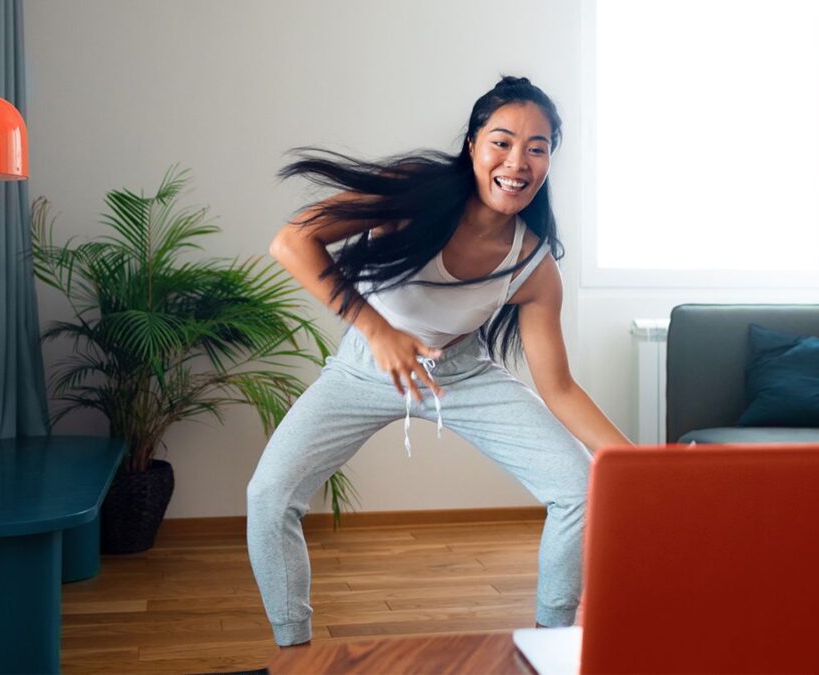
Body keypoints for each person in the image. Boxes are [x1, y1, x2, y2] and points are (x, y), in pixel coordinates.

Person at [247, 75, 631, 647]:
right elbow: (292, 242)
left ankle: (552, 643)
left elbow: (560, 390)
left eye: (537, 147)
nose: (517, 162)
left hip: (462, 374)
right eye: (501, 142)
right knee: (268, 496)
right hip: (363, 367)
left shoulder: (535, 267)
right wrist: (378, 331)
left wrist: (640, 463)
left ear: (550, 160)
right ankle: (293, 649)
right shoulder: (411, 193)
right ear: (473, 144)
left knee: (577, 486)